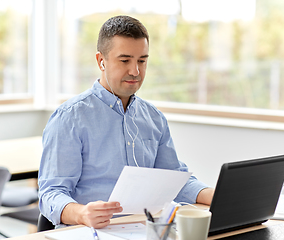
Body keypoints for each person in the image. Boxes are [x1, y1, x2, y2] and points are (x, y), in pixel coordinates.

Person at [38, 15, 214, 229]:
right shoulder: (70, 118)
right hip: (90, 232)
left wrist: (221, 196)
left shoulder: (154, 118)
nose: (135, 71)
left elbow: (175, 180)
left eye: (142, 60)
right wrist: (82, 213)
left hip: (146, 231)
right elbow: (51, 194)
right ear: (101, 61)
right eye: (125, 61)